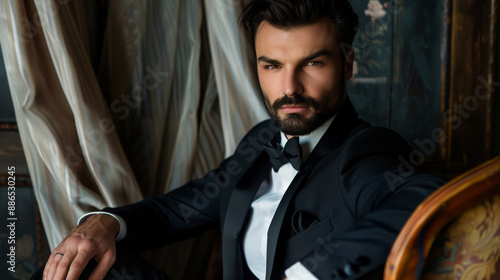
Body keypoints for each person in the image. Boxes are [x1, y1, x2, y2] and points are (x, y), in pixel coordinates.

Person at [36, 0, 445, 279]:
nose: (290, 87)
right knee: (80, 264)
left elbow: (422, 196)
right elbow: (173, 213)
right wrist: (104, 223)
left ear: (347, 64)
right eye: (272, 65)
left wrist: (309, 275)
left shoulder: (364, 152)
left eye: (313, 63)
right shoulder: (261, 141)